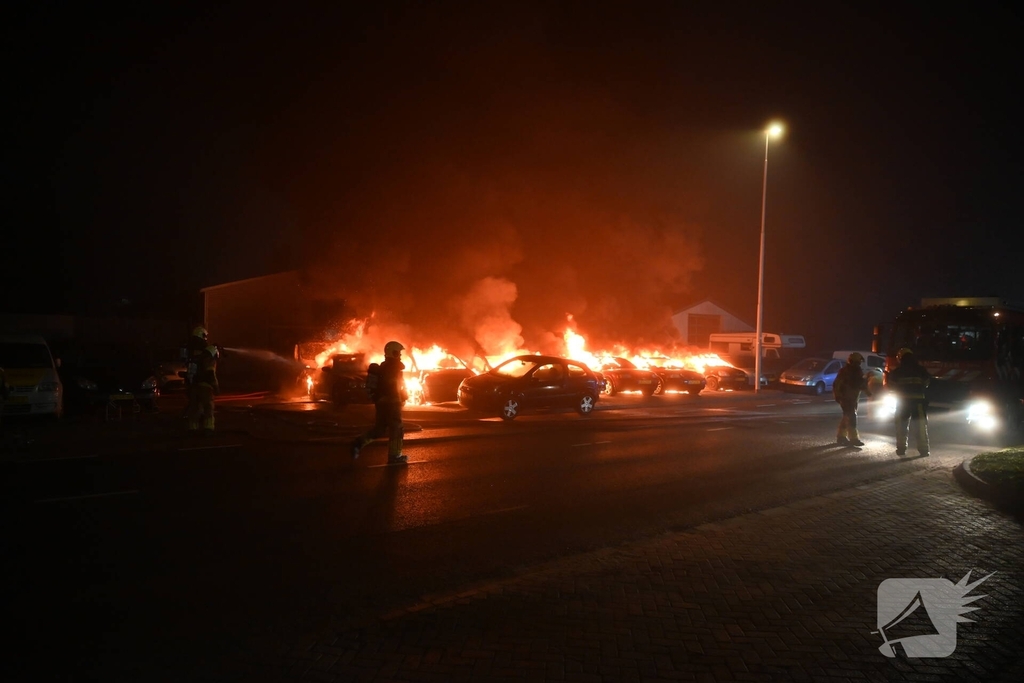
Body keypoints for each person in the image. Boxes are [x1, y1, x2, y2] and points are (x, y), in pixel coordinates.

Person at [351, 340, 409, 464]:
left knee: (380, 429)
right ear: (393, 353)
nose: (400, 355)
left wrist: (402, 394)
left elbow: (395, 384)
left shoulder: (384, 367)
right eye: (398, 353)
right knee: (397, 429)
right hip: (392, 402)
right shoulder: (394, 368)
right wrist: (403, 395)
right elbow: (396, 385)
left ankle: (358, 443)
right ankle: (395, 456)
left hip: (382, 403)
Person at [885, 347, 931, 456]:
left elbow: (890, 386)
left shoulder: (897, 371)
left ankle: (901, 449)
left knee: (901, 426)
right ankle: (924, 450)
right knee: (920, 425)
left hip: (903, 403)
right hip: (918, 402)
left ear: (900, 358)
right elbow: (927, 383)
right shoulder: (921, 369)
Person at [833, 352, 872, 446]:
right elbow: (837, 384)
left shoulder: (855, 371)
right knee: (852, 417)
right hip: (846, 398)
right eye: (857, 362)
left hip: (852, 398)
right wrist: (838, 396)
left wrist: (869, 394)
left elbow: (861, 384)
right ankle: (854, 439)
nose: (858, 364)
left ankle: (841, 437)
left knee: (847, 417)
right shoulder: (845, 372)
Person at [187, 343, 220, 434]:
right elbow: (211, 375)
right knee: (208, 407)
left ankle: (193, 428)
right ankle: (208, 428)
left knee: (195, 408)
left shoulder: (196, 360)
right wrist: (216, 387)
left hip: (194, 387)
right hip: (206, 388)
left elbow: (190, 374)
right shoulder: (210, 360)